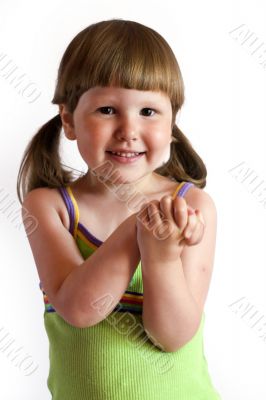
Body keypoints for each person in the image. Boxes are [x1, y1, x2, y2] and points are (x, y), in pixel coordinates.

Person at [17, 18, 221, 400]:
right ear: (69, 120)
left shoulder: (192, 207)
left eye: (148, 111)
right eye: (108, 110)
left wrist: (160, 259)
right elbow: (80, 309)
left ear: (172, 123)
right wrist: (137, 230)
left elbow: (173, 336)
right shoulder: (50, 207)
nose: (128, 129)